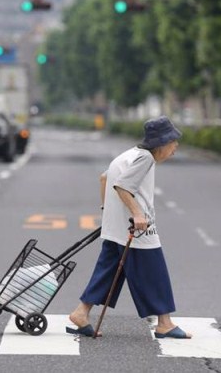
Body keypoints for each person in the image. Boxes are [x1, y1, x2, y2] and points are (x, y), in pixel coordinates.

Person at [68, 116, 192, 339]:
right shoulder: (145, 158)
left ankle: (81, 312)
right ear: (162, 143)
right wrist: (136, 213)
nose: (176, 147)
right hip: (135, 228)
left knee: (108, 271)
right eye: (173, 142)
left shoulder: (129, 154)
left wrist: (108, 212)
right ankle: (164, 323)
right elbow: (122, 186)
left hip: (116, 227)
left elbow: (104, 178)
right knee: (155, 271)